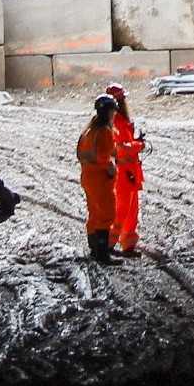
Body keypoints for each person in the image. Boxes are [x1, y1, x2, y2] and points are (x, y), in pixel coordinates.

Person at [76, 93, 119, 262]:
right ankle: (102, 253)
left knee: (94, 212)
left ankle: (94, 248)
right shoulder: (105, 132)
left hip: (87, 176)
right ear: (109, 112)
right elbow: (105, 157)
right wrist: (112, 168)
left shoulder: (88, 131)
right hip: (101, 179)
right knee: (107, 214)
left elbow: (81, 154)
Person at [106, 83, 145, 256]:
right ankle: (109, 244)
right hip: (124, 173)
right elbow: (121, 149)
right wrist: (138, 144)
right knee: (122, 211)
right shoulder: (116, 122)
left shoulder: (120, 121)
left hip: (130, 173)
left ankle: (128, 244)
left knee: (131, 211)